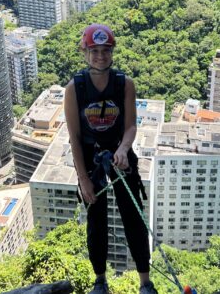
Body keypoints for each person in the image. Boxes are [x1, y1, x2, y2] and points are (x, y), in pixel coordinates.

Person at [64, 24, 157, 294]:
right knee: (96, 219)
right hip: (92, 160)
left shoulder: (124, 84)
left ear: (112, 52)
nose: (100, 56)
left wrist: (124, 149)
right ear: (85, 52)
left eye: (105, 50)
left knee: (133, 216)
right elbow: (75, 137)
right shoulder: (75, 89)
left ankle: (144, 281)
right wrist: (83, 179)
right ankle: (100, 279)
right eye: (95, 51)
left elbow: (130, 126)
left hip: (119, 154)